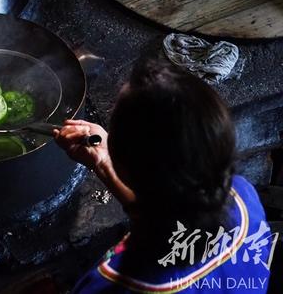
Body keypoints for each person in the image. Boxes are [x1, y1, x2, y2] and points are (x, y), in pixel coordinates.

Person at [54, 58, 274, 293]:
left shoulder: (109, 285)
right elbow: (166, 213)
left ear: (126, 168)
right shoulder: (241, 196)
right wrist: (105, 164)